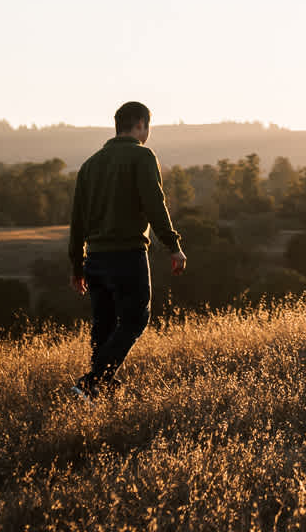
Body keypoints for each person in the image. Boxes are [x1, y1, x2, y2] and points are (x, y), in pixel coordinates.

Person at [67, 101, 187, 398]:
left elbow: (77, 220)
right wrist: (173, 246)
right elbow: (154, 204)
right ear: (141, 124)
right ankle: (90, 382)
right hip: (127, 255)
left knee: (104, 324)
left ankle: (99, 388)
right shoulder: (142, 156)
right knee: (135, 319)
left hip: (95, 258)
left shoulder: (90, 165)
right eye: (147, 127)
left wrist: (77, 266)